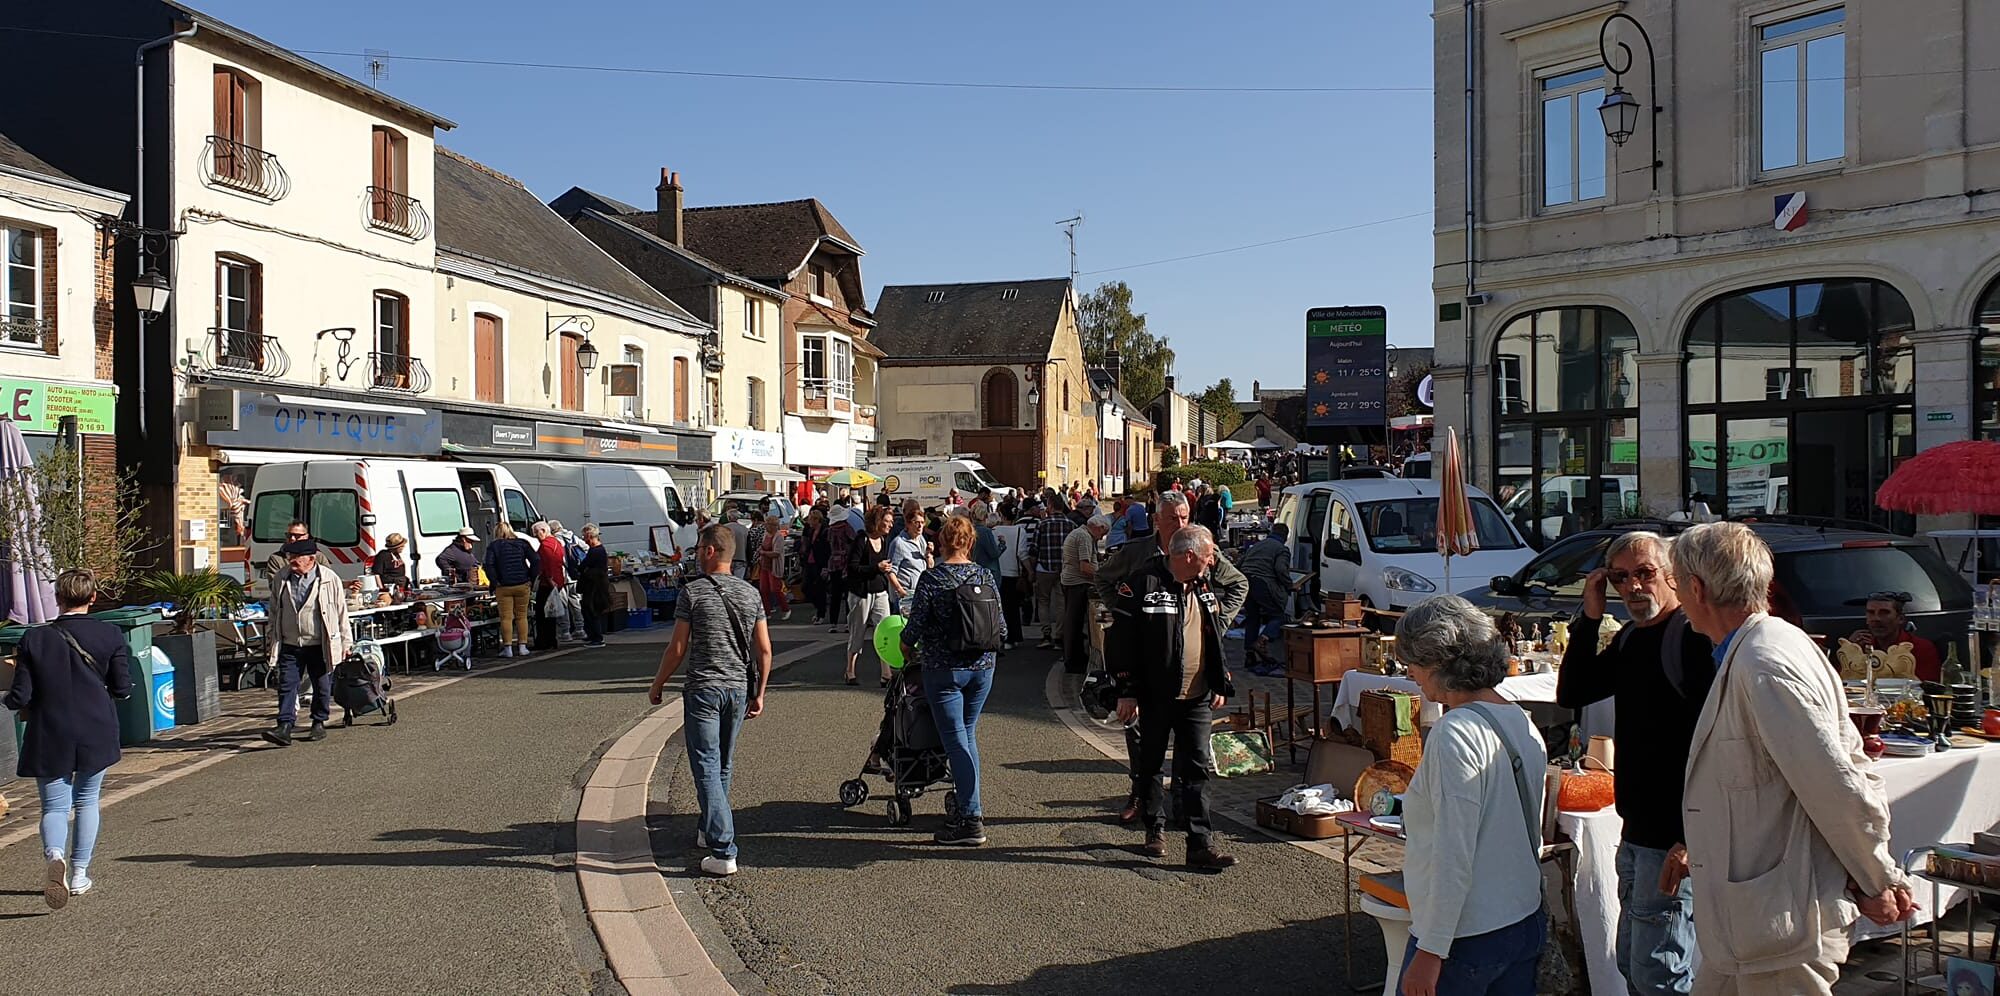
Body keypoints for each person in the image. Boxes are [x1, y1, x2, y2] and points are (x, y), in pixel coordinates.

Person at [1673, 522, 1912, 995]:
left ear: (1697, 589)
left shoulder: (1765, 661)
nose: (1678, 599)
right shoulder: (1758, 650)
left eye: (1678, 586)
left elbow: (1836, 783)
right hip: (1750, 922)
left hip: (1781, 924)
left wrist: (1876, 876)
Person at [1556, 531, 1715, 996]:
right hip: (1637, 833)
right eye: (1621, 578)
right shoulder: (1630, 637)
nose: (1632, 587)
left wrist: (1690, 838)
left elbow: (1717, 745)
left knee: (1659, 974)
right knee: (1632, 963)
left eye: (1644, 574)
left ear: (1671, 576)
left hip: (1672, 838)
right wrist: (1590, 614)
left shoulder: (1689, 637)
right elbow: (1573, 693)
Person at [1391, 595, 1549, 996]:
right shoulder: (1521, 720)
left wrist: (1430, 950)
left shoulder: (1454, 733)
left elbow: (1452, 854)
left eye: (1412, 660)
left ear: (1439, 661)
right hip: (1522, 918)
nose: (1408, 671)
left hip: (1466, 937)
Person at [1095, 488, 1251, 824]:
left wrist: (1217, 624)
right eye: (1172, 519)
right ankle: (1142, 800)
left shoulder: (1201, 550)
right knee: (1143, 743)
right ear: (1157, 521)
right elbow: (1103, 578)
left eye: (1184, 517)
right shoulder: (1138, 553)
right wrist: (1123, 615)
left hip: (1191, 670)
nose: (1180, 524)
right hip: (1148, 667)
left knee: (1191, 748)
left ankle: (1185, 808)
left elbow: (1239, 584)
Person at [1107, 524, 1236, 872]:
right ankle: (1155, 829)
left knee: (1197, 767)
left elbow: (1212, 632)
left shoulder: (1203, 585)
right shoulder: (1143, 583)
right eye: (1208, 556)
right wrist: (1126, 690)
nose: (1212, 563)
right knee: (1150, 764)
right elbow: (1119, 640)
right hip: (1154, 693)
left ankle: (1200, 844)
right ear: (1189, 555)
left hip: (1196, 695)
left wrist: (1219, 677)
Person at [648, 524, 772, 877]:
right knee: (722, 765)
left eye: (700, 547)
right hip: (737, 689)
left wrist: (658, 683)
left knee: (704, 764)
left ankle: (724, 847)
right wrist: (760, 692)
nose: (697, 554)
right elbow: (763, 649)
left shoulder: (693, 593)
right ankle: (707, 828)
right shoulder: (750, 594)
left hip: (703, 687)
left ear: (711, 551)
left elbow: (677, 648)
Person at [5, 570, 129, 909]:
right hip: (96, 727)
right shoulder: (110, 634)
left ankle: (54, 855)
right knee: (87, 801)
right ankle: (79, 873)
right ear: (92, 598)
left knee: (54, 806)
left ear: (58, 598)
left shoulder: (34, 638)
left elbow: (20, 695)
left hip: (50, 728)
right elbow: (121, 687)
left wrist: (10, 698)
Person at [901, 514, 1003, 846]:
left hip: (944, 670)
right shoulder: (984, 574)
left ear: (942, 541)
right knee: (967, 736)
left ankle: (971, 819)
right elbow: (1000, 627)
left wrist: (905, 650)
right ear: (971, 542)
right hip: (983, 667)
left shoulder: (932, 579)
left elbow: (913, 629)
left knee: (956, 741)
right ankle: (965, 805)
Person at [260, 538, 351, 747]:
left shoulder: (329, 579)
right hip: (291, 643)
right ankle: (284, 726)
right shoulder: (282, 578)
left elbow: (341, 613)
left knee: (321, 685)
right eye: (289, 556)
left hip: (320, 643)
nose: (290, 560)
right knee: (287, 685)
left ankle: (318, 721)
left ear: (310, 558)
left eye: (295, 556)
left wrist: (346, 642)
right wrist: (271, 639)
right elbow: (274, 611)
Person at [845, 505, 900, 686]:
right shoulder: (862, 539)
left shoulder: (884, 540)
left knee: (885, 630)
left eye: (891, 522)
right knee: (858, 630)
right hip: (861, 592)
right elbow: (852, 567)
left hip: (880, 591)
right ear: (877, 521)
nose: (890, 525)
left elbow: (886, 567)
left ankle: (886, 673)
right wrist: (875, 568)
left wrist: (898, 587)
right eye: (887, 521)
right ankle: (850, 670)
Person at [1846, 591, 1941, 682]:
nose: (1876, 618)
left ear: (1900, 619)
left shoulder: (1921, 648)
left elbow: (1928, 686)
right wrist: (1850, 651)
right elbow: (1841, 681)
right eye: (1871, 613)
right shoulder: (1861, 646)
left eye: (1884, 613)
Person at [1237, 522, 1292, 675]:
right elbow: (1280, 569)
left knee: (1252, 617)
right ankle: (1262, 641)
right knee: (1278, 615)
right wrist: (1290, 585)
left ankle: (1249, 656)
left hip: (1246, 581)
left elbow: (1240, 563)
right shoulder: (1282, 549)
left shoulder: (1257, 545)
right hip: (1263, 583)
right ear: (1285, 536)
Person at [1060, 513, 1110, 674]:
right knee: (1074, 623)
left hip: (1073, 582)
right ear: (1098, 527)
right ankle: (1073, 661)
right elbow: (1085, 566)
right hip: (1078, 583)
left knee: (1073, 622)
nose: (1102, 537)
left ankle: (1075, 657)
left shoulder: (1082, 535)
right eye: (1103, 533)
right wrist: (1104, 576)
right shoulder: (1084, 537)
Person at [483, 521, 538, 658]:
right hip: (522, 584)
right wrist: (531, 577)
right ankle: (522, 646)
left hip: (503, 586)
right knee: (521, 616)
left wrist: (495, 581)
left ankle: (507, 648)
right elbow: (536, 560)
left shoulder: (494, 546)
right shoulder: (522, 543)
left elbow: (488, 565)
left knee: (506, 618)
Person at [1028, 498, 1074, 650]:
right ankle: (1059, 636)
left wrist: (1032, 571)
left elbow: (1034, 550)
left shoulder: (1042, 524)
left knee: (1043, 601)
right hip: (1064, 569)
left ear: (1050, 506)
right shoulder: (1071, 525)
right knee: (1062, 603)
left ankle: (1046, 635)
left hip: (1044, 567)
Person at [991, 505, 1029, 651]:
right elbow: (1022, 553)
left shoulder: (993, 531)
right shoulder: (1020, 530)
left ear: (1001, 515)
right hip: (1014, 572)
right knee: (1012, 608)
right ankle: (1013, 636)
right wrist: (1029, 570)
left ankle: (1002, 637)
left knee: (999, 607)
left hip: (998, 572)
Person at [888, 500, 932, 615]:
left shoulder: (921, 539)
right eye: (916, 522)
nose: (920, 526)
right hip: (905, 596)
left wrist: (928, 554)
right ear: (908, 524)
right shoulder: (899, 543)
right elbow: (891, 571)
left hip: (919, 592)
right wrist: (900, 591)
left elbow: (930, 566)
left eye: (922, 522)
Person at [531, 522, 569, 651]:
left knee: (542, 613)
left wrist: (549, 578)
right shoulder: (557, 543)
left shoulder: (545, 546)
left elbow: (547, 563)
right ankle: (551, 639)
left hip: (548, 583)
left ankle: (544, 641)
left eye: (536, 533)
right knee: (551, 613)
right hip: (557, 580)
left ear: (543, 530)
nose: (535, 536)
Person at [263, 520, 331, 586]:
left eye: (297, 536)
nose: (292, 538)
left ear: (306, 536)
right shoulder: (276, 559)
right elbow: (274, 586)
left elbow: (328, 581)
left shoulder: (319, 557)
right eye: (289, 535)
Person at [575, 524, 611, 648]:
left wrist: (583, 570)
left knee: (592, 610)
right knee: (587, 609)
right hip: (593, 585)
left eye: (585, 536)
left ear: (590, 536)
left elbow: (585, 566)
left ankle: (597, 638)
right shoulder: (596, 550)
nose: (584, 539)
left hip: (596, 586)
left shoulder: (597, 551)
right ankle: (592, 635)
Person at [824, 500, 857, 633]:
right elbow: (853, 542)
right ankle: (848, 623)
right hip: (846, 564)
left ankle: (833, 623)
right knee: (848, 595)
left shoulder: (830, 530)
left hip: (833, 564)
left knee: (835, 595)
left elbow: (827, 547)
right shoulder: (847, 528)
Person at [756, 514, 791, 621]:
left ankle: (785, 609)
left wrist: (763, 552)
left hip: (774, 566)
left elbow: (776, 553)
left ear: (774, 526)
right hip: (764, 565)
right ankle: (767, 612)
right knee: (763, 589)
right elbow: (762, 545)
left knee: (775, 589)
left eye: (768, 525)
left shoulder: (778, 536)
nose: (766, 527)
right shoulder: (766, 534)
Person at [800, 507, 830, 624]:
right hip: (810, 561)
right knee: (806, 587)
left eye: (811, 520)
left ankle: (821, 613)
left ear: (817, 520)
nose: (809, 522)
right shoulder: (811, 531)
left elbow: (826, 549)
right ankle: (818, 608)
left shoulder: (825, 531)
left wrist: (826, 566)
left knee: (820, 589)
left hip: (820, 562)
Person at [726, 510, 751, 579]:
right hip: (741, 559)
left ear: (729, 517)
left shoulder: (724, 528)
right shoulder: (745, 529)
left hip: (727, 560)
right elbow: (748, 548)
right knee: (738, 582)